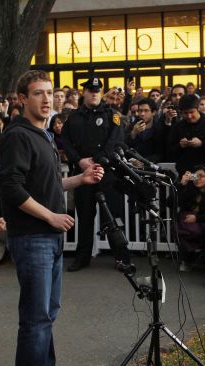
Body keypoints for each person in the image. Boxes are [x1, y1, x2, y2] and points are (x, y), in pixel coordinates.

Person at [0, 69, 105, 366]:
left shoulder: (43, 134)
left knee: (48, 312)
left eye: (50, 92)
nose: (46, 99)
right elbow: (11, 189)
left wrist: (80, 179)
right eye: (38, 93)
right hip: (32, 238)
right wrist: (50, 217)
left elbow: (47, 186)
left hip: (49, 237)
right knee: (36, 317)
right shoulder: (18, 136)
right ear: (22, 99)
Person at [61, 76, 125, 272]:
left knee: (112, 216)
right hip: (82, 173)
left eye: (97, 91)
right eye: (91, 90)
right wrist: (79, 160)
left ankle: (122, 257)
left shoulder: (112, 115)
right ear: (84, 93)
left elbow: (115, 140)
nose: (94, 94)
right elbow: (65, 141)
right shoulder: (74, 116)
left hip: (106, 173)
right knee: (85, 217)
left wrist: (98, 161)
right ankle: (83, 258)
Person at [173, 165, 205, 271]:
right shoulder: (188, 189)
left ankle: (204, 259)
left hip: (204, 222)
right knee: (179, 228)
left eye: (202, 176)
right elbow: (171, 202)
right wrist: (182, 184)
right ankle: (187, 260)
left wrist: (197, 218)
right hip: (187, 222)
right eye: (196, 176)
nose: (198, 179)